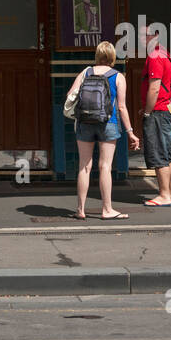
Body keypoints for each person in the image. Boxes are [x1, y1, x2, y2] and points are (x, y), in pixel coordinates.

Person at [65, 40, 140, 220]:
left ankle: (80, 209)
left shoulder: (86, 72)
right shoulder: (118, 76)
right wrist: (130, 132)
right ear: (113, 56)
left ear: (97, 55)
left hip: (85, 122)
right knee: (105, 166)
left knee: (84, 166)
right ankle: (107, 209)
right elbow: (121, 107)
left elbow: (70, 95)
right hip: (109, 123)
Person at [138, 21, 171, 208]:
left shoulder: (154, 56)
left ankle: (163, 195)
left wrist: (147, 111)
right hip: (168, 109)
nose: (139, 39)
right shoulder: (164, 53)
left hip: (159, 111)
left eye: (142, 36)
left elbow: (154, 88)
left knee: (159, 153)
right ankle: (170, 193)